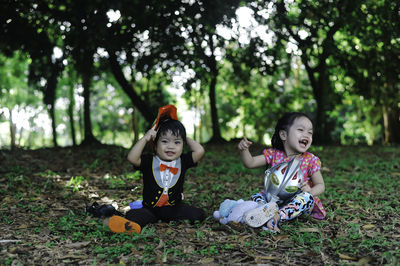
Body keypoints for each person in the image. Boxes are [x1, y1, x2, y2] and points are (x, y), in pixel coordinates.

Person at [106, 106, 206, 234]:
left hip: (174, 208)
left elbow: (200, 151)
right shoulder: (149, 161)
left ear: (183, 145)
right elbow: (132, 158)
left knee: (197, 214)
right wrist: (145, 138)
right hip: (150, 209)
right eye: (165, 141)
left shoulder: (183, 161)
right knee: (134, 215)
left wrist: (182, 135)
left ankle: (172, 217)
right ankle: (127, 227)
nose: (171, 146)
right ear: (155, 144)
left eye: (176, 142)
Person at [238, 112, 326, 233]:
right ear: (284, 135)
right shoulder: (274, 154)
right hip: (272, 199)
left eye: (310, 132)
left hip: (296, 203)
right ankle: (262, 211)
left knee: (307, 198)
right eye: (301, 130)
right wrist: (244, 150)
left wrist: (310, 191)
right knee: (256, 196)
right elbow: (250, 163)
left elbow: (320, 185)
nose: (306, 135)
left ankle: (277, 217)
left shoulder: (310, 160)